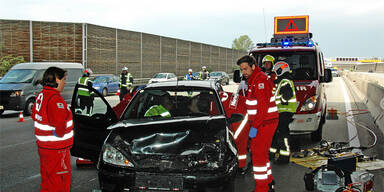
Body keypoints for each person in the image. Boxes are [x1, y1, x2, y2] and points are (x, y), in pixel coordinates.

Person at [237, 55, 279, 192]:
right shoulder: (254, 79)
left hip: (265, 123)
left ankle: (262, 188)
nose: (243, 72)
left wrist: (254, 127)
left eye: (245, 69)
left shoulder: (260, 80)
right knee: (261, 154)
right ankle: (269, 181)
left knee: (258, 155)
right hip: (263, 122)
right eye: (241, 69)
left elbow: (262, 108)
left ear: (253, 66)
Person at [32, 67, 73, 192]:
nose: (65, 83)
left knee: (47, 182)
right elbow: (60, 125)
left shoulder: (42, 95)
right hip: (57, 150)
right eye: (63, 79)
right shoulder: (55, 99)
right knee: (59, 183)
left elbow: (35, 115)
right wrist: (58, 133)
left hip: (44, 148)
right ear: (56, 79)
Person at [269, 61, 297, 164]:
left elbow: (287, 95)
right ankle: (271, 154)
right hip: (280, 112)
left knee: (283, 135)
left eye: (276, 71)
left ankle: (284, 158)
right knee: (276, 134)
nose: (275, 73)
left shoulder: (285, 81)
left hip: (284, 111)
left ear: (280, 70)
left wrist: (281, 101)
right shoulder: (282, 81)